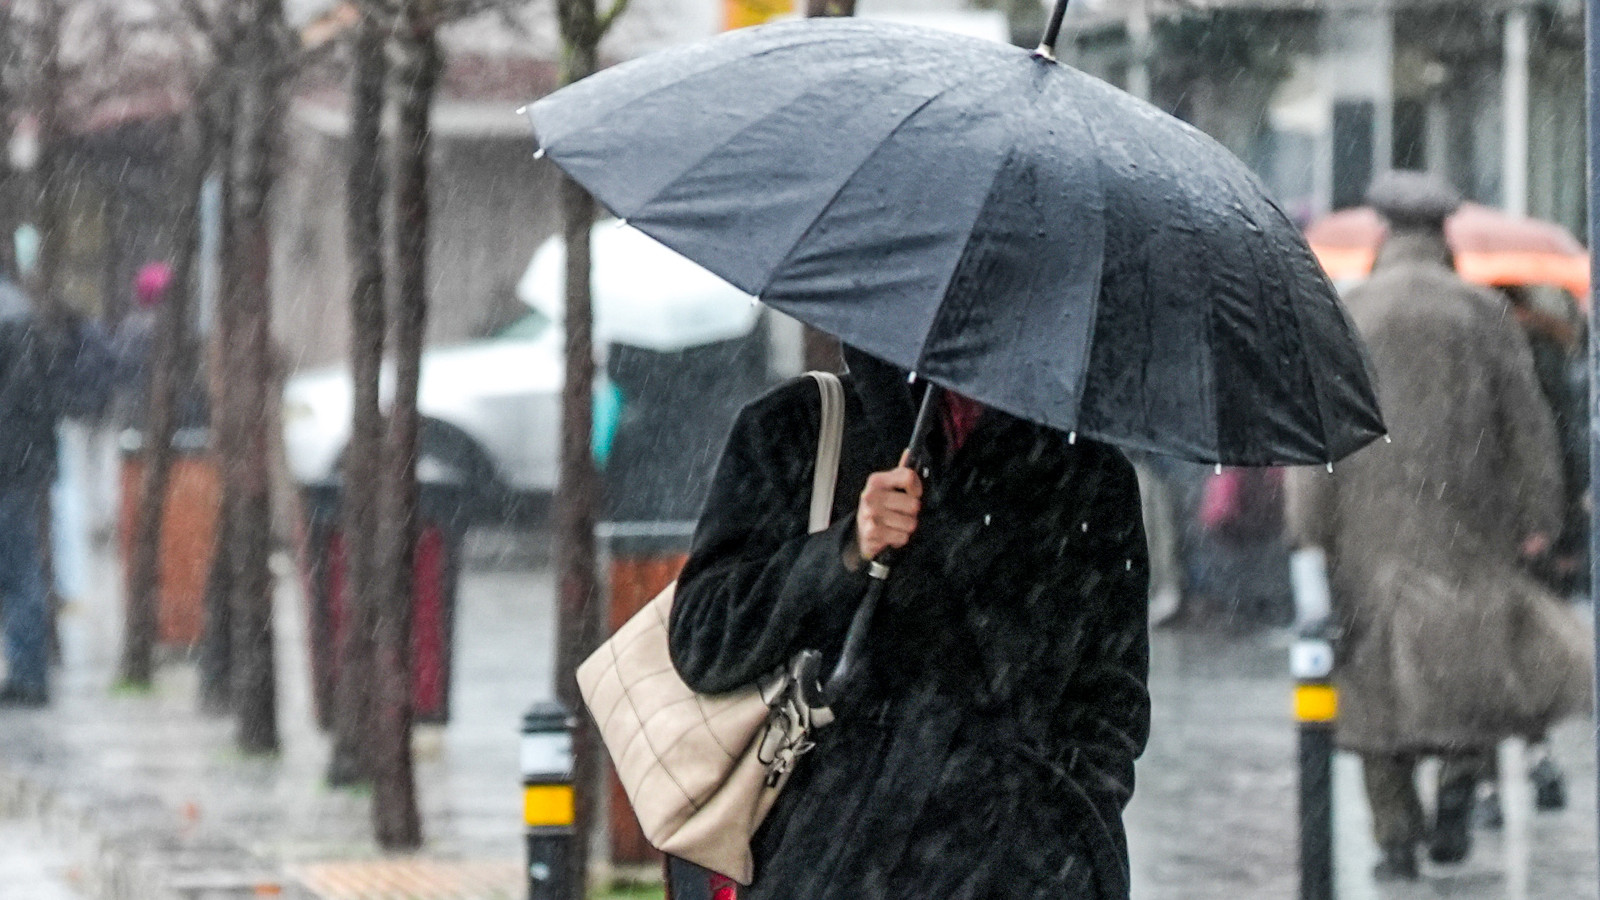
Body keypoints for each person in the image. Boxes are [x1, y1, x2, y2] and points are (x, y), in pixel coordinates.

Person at [666, 346, 1151, 899]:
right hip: (828, 866)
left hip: (1019, 873)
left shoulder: (1092, 476)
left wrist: (1055, 834)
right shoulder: (799, 429)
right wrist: (845, 550)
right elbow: (703, 640)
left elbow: (1112, 703)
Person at [1286, 171, 1592, 881]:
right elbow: (1528, 426)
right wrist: (1539, 516)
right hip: (1468, 522)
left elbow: (1314, 437)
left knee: (1373, 682)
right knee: (1468, 665)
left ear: (1385, 233)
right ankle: (1460, 780)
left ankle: (1396, 835)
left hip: (1366, 533)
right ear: (1443, 235)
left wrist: (1308, 528)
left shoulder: (1349, 312)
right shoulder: (1483, 313)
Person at [0, 276, 95, 706]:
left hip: (12, 464)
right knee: (21, 570)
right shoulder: (22, 315)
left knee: (19, 571)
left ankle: (27, 673)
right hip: (21, 464)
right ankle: (29, 672)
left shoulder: (14, 319)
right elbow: (46, 394)